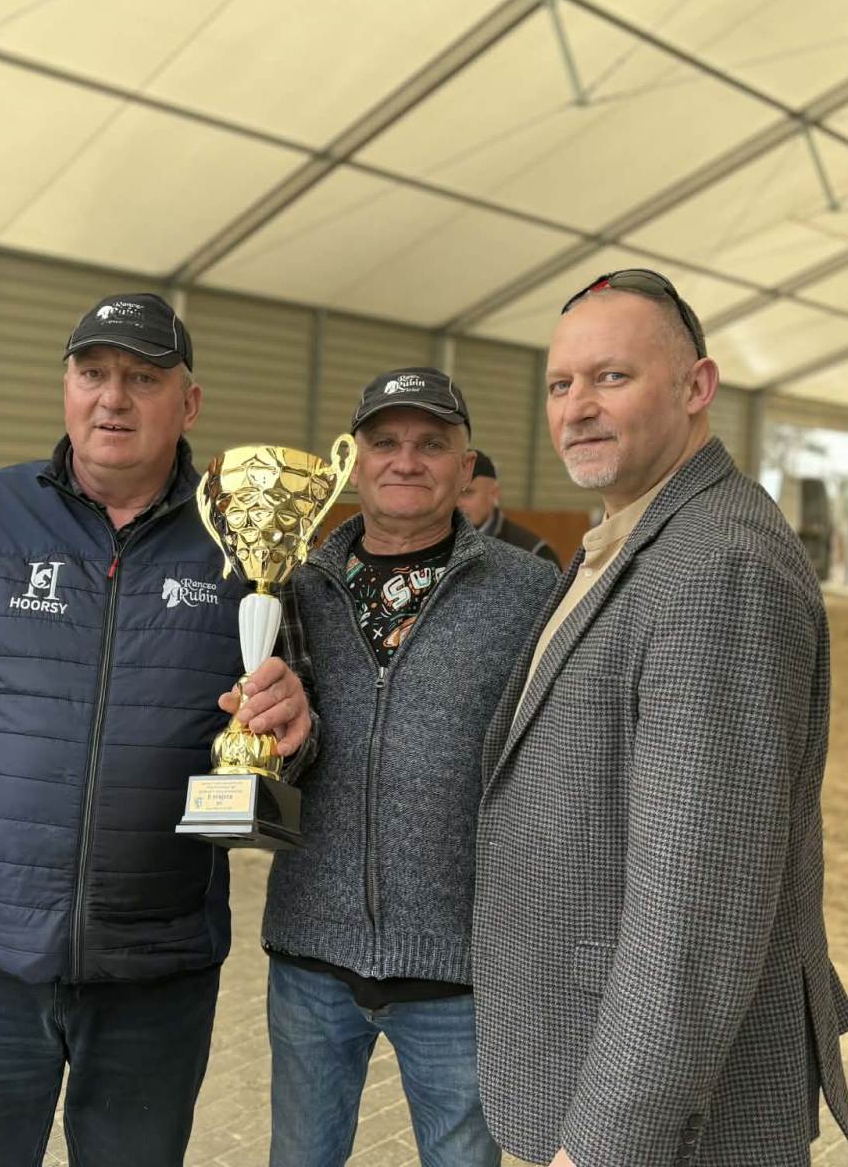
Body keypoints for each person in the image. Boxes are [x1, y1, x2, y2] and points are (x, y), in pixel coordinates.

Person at [0, 292, 315, 1166]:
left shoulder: (248, 536)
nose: (113, 399)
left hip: (159, 970)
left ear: (189, 402)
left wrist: (295, 728)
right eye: (93, 373)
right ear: (65, 386)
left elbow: (297, 733)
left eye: (143, 378)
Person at [471, 269, 848, 1166]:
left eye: (612, 377)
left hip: (662, 1117)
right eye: (560, 384)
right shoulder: (635, 536)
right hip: (586, 1051)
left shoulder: (719, 568)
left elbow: (699, 902)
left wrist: (608, 1142)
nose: (577, 407)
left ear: (696, 387)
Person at [261, 368, 556, 1167]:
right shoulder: (290, 585)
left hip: (463, 966)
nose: (406, 460)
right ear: (354, 463)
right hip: (311, 952)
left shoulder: (530, 591)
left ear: (466, 466)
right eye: (385, 442)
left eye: (432, 443)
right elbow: (275, 751)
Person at [457, 450, 560, 567]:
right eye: (453, 493)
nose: (457, 503)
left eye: (467, 493)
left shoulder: (534, 552)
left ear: (494, 494)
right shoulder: (441, 543)